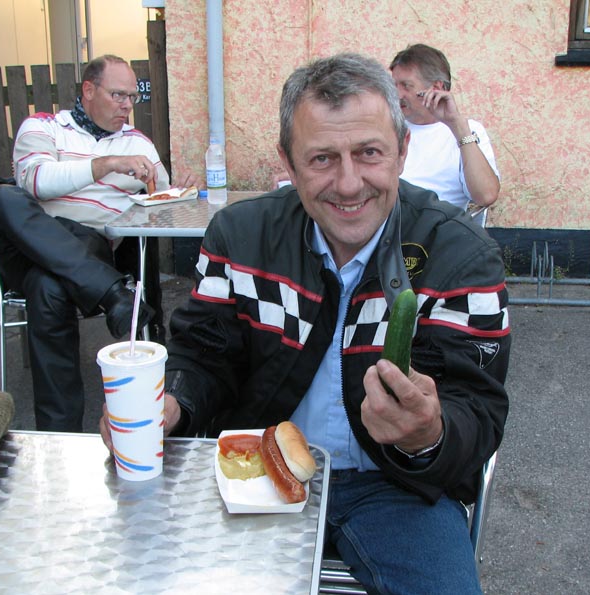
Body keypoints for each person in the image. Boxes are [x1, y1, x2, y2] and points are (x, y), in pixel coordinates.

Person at [101, 53, 510, 594]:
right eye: (321, 158)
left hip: (398, 489)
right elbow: (202, 355)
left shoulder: (460, 256)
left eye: (369, 153)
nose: (348, 184)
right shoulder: (239, 237)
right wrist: (171, 402)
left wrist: (427, 433)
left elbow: (477, 410)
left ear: (402, 150)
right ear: (288, 164)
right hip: (257, 470)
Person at [0, 54, 198, 432]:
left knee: (48, 286)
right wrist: (106, 164)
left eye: (132, 97)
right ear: (88, 90)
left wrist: (178, 188)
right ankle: (113, 295)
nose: (127, 105)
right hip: (28, 246)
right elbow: (35, 182)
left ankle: (59, 434)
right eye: (118, 95)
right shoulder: (43, 127)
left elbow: (159, 195)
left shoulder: (138, 143)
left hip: (90, 245)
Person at [390, 43, 500, 214]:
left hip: (439, 225)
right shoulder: (388, 127)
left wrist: (457, 126)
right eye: (394, 85)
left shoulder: (468, 129)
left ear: (436, 89)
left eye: (406, 86)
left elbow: (486, 196)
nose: (397, 95)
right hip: (391, 223)